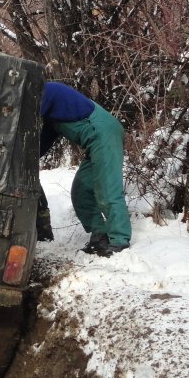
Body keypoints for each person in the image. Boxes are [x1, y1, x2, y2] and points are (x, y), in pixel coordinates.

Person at [39, 81, 131, 256]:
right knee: (81, 192)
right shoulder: (51, 111)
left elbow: (26, 118)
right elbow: (44, 141)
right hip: (95, 140)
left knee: (107, 189)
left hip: (104, 133)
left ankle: (120, 241)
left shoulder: (48, 91)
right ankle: (100, 235)